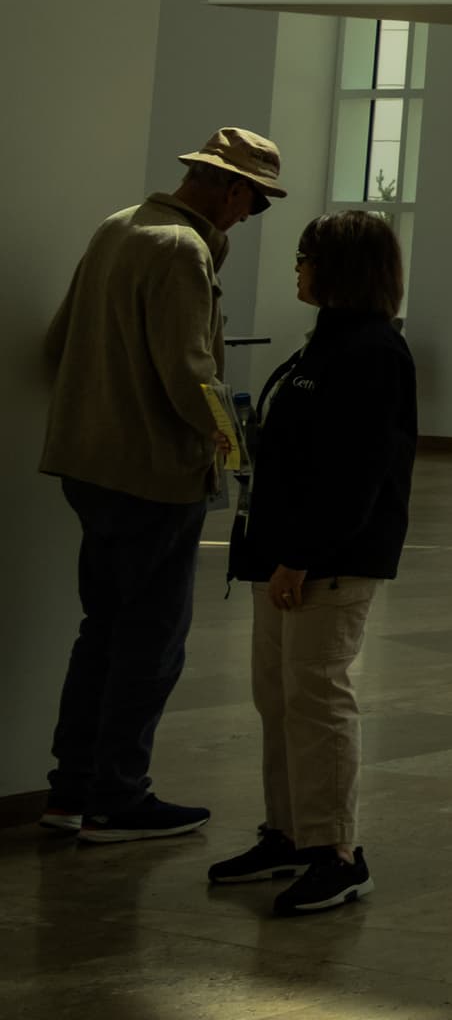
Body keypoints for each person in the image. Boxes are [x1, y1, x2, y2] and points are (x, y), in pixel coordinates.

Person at [39, 125, 287, 845]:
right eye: (256, 203)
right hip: (152, 475)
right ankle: (119, 797)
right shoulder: (182, 248)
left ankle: (70, 792)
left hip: (86, 466)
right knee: (153, 640)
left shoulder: (119, 227)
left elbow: (58, 343)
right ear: (232, 189)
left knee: (101, 632)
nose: (250, 216)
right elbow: (191, 376)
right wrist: (237, 448)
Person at [211, 209, 417, 917]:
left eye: (306, 257)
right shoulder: (324, 345)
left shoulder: (372, 352)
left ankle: (337, 853)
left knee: (318, 696)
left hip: (328, 558)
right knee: (278, 695)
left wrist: (302, 556)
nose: (297, 268)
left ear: (341, 269)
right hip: (286, 555)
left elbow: (354, 473)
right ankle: (290, 832)